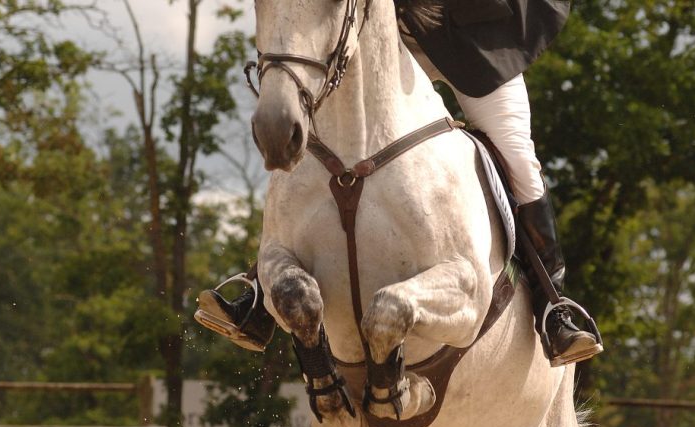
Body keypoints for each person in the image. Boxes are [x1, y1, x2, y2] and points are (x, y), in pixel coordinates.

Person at [195, 0, 603, 367]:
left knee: (517, 157)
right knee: (322, 142)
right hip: (384, 45)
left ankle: (554, 307)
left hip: (470, 43)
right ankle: (260, 291)